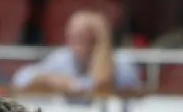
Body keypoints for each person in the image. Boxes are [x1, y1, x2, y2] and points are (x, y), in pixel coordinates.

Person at [11, 10, 142, 101]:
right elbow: (20, 79)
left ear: (96, 39)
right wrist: (47, 79)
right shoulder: (63, 58)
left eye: (81, 37)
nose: (73, 43)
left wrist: (74, 85)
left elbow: (101, 87)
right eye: (71, 37)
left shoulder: (122, 63)